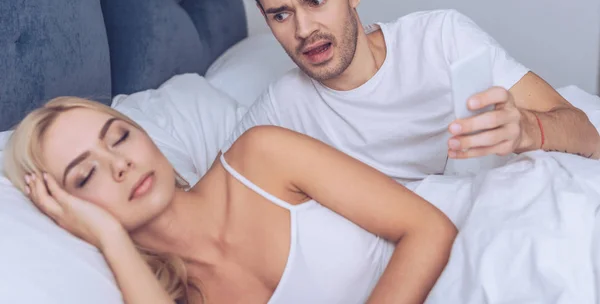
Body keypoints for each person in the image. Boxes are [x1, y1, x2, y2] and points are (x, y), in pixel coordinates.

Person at [228, 0, 600, 183]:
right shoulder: (280, 110)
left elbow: (586, 134)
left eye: (317, 0)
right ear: (265, 18)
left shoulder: (441, 38)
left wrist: (526, 130)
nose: (304, 30)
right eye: (281, 14)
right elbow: (210, 203)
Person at [3, 97, 457, 304]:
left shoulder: (260, 157)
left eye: (119, 136)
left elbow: (429, 228)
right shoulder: (171, 294)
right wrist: (110, 239)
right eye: (86, 175)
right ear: (66, 209)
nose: (119, 164)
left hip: (474, 258)